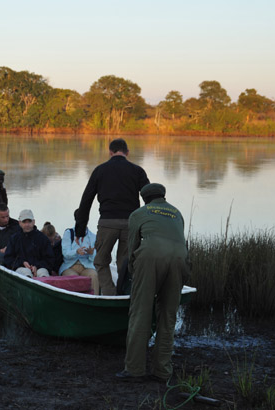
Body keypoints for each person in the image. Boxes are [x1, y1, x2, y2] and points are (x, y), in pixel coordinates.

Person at [116, 183, 189, 383]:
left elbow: (132, 248)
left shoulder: (138, 213)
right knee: (168, 315)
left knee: (140, 313)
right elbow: (180, 240)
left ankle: (134, 369)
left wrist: (134, 273)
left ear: (144, 198)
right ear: (163, 196)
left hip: (150, 257)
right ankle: (162, 371)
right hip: (180, 259)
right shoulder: (176, 213)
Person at [75, 138, 150, 295]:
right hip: (131, 224)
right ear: (127, 152)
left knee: (100, 261)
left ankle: (109, 293)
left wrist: (80, 229)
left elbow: (86, 201)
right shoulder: (137, 171)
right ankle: (124, 294)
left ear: (110, 152)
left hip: (107, 223)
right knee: (126, 263)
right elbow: (149, 198)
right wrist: (146, 226)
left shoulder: (100, 170)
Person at [4, 209, 54, 278]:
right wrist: (22, 263)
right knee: (26, 273)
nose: (27, 224)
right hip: (20, 268)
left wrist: (37, 266)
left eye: (29, 221)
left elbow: (50, 259)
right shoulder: (14, 239)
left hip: (40, 268)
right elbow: (8, 259)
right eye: (24, 222)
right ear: (20, 223)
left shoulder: (43, 238)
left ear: (33, 222)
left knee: (43, 273)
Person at [59, 211, 100, 295]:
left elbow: (95, 258)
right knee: (75, 279)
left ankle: (94, 300)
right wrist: (76, 252)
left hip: (86, 267)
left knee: (94, 275)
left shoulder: (92, 236)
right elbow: (65, 253)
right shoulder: (68, 233)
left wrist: (91, 253)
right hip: (70, 267)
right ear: (76, 219)